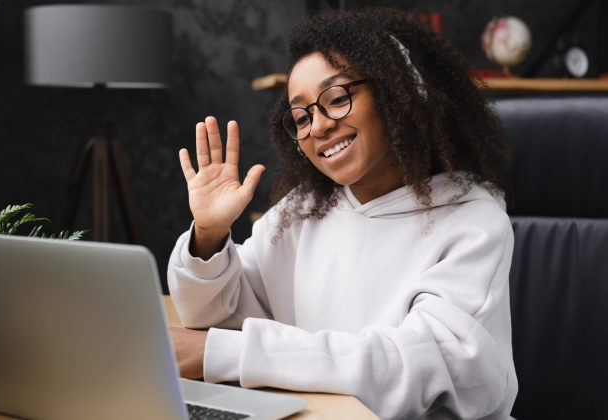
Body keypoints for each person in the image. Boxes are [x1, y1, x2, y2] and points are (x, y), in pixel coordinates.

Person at [168, 7, 518, 419]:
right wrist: (209, 234)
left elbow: (416, 368)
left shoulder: (473, 222)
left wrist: (225, 353)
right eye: (301, 116)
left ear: (394, 94)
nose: (317, 127)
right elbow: (215, 315)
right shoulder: (301, 213)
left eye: (336, 99)